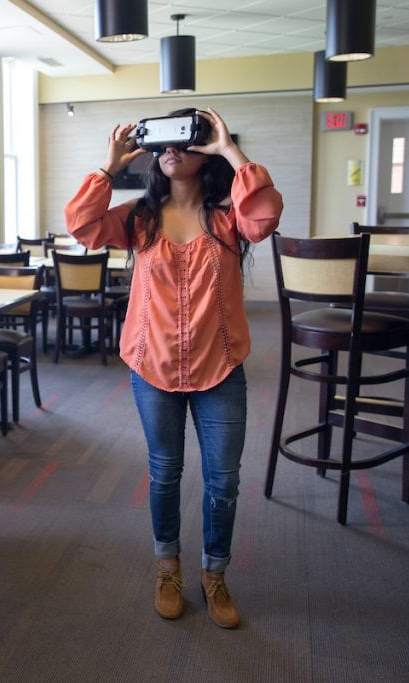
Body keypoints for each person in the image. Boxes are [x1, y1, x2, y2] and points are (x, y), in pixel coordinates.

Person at [64, 108, 283, 628]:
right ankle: (168, 568)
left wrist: (230, 148)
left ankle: (215, 574)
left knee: (223, 480)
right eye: (161, 143)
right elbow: (83, 225)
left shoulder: (230, 217)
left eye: (184, 140)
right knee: (164, 474)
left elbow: (266, 216)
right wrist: (110, 166)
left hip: (220, 367)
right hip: (153, 365)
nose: (170, 151)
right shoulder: (139, 217)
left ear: (202, 151)